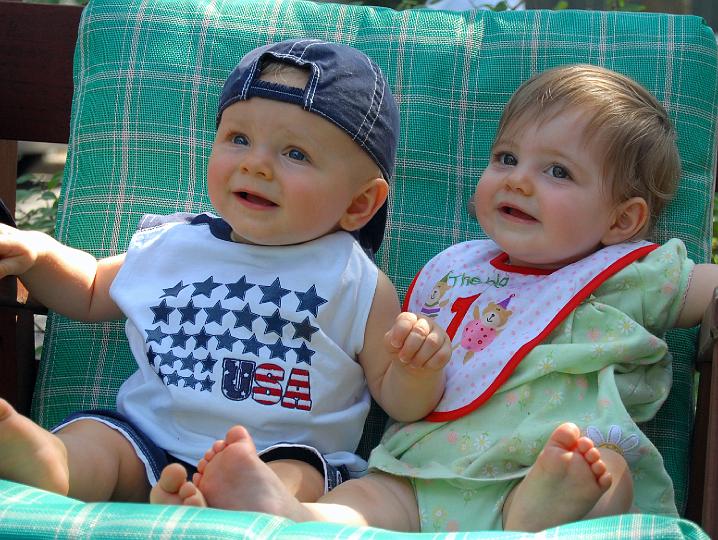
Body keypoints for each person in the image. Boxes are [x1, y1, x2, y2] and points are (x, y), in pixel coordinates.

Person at [165, 63, 711, 532]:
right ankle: (291, 515)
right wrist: (414, 362)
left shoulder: (631, 274)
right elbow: (410, 395)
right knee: (367, 499)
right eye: (505, 158)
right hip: (426, 473)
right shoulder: (456, 274)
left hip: (557, 457)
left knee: (607, 470)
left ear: (622, 219)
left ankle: (538, 512)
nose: (517, 180)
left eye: (557, 171)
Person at [0, 38, 453, 506]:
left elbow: (395, 397)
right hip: (149, 443)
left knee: (299, 473)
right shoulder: (175, 246)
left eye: (295, 153)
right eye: (238, 139)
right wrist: (38, 254)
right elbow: (93, 288)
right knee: (98, 440)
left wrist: (416, 369)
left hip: (276, 456)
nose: (255, 164)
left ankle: (246, 499)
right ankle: (51, 465)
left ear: (359, 204)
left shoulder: (353, 279)